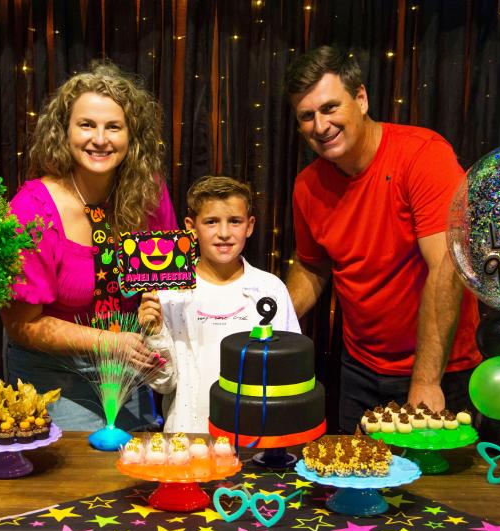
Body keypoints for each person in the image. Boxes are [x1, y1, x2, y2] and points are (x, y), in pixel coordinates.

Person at [284, 46, 481, 434]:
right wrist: (268, 325)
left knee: (434, 492)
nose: (320, 126)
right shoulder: (307, 186)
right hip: (359, 370)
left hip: (441, 372)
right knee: (353, 484)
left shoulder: (422, 155)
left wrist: (425, 382)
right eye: (307, 116)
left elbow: (448, 266)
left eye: (329, 108)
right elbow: (312, 265)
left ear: (361, 98)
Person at [1, 62, 178, 431]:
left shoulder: (149, 192)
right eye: (86, 125)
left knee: (133, 476)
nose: (100, 139)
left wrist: (156, 306)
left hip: (130, 363)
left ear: (132, 137)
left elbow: (166, 281)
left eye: (114, 127)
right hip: (54, 373)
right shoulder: (32, 210)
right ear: (64, 131)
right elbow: (20, 325)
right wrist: (107, 343)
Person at [137, 176, 301, 433]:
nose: (224, 233)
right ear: (191, 228)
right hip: (188, 436)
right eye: (211, 222)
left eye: (234, 221)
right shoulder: (169, 294)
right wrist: (153, 333)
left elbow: (289, 372)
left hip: (254, 436)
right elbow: (164, 383)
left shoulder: (270, 289)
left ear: (249, 226)